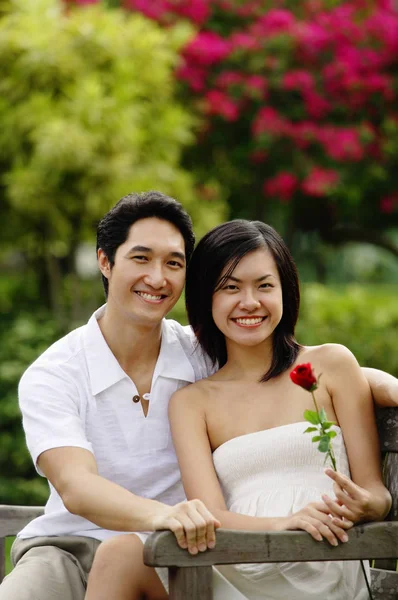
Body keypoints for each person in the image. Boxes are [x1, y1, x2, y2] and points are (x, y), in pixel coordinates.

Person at [1, 196, 396, 600]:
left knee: (125, 554)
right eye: (141, 258)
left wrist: (382, 385)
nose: (157, 278)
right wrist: (167, 516)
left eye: (173, 263)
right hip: (80, 545)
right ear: (105, 261)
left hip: (191, 552)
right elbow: (77, 485)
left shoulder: (199, 352)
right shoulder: (56, 374)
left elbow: (287, 373)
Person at [168, 219, 391, 599]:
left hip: (326, 561)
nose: (249, 302)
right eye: (230, 288)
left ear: (286, 291)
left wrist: (368, 505)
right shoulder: (192, 402)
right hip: (238, 568)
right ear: (206, 297)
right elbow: (212, 516)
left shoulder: (332, 365)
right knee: (121, 555)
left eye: (264, 285)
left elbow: (375, 492)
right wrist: (284, 523)